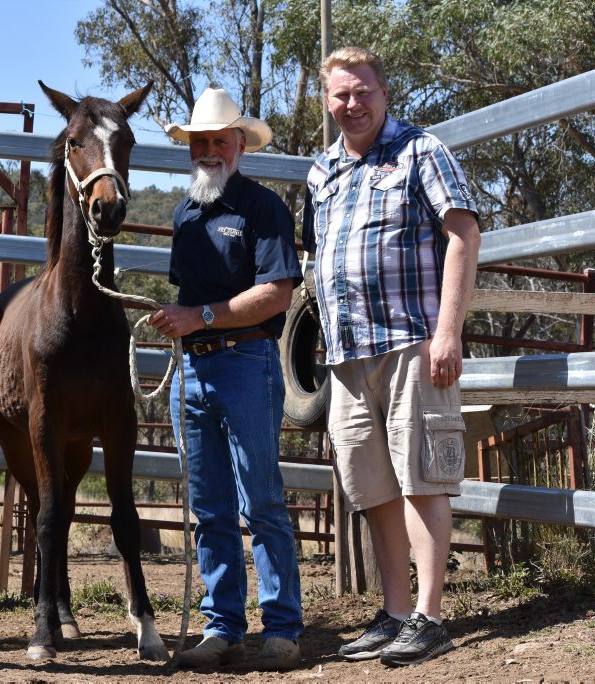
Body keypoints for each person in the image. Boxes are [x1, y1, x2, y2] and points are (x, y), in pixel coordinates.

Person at [303, 47, 480, 667]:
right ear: (327, 101)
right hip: (347, 357)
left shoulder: (421, 151)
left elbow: (463, 233)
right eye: (340, 95)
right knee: (372, 487)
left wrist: (448, 331)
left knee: (422, 476)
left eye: (362, 92)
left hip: (410, 341)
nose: (351, 105)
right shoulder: (321, 172)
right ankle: (396, 611)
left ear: (385, 93)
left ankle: (430, 616)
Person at [149, 88, 304, 671]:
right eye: (200, 141)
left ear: (240, 143)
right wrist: (179, 320)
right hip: (192, 366)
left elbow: (276, 295)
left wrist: (202, 317)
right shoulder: (185, 212)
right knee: (209, 504)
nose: (209, 150)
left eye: (219, 140)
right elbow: (190, 295)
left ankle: (281, 628)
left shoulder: (262, 208)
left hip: (245, 361)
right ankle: (223, 626)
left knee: (260, 498)